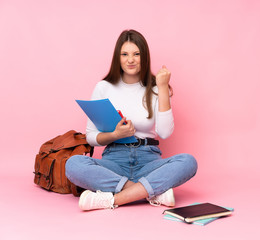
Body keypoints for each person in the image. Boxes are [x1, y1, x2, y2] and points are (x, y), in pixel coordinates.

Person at [65, 29, 198, 211]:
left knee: (188, 161)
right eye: (125, 54)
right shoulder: (103, 87)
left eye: (136, 54)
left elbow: (165, 132)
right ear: (117, 58)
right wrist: (115, 134)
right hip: (113, 162)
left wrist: (162, 87)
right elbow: (91, 138)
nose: (130, 60)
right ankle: (149, 192)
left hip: (148, 160)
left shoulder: (157, 87)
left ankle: (112, 199)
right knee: (73, 164)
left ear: (144, 57)